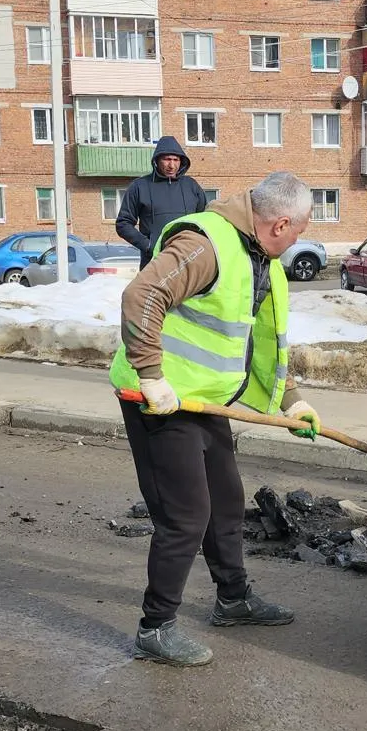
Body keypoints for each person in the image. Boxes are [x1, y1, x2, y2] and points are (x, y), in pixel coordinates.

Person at [110, 171, 323, 667]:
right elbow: (141, 297)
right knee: (185, 517)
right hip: (159, 400)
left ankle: (233, 598)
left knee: (226, 503)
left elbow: (262, 340)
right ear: (280, 223)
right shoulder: (205, 243)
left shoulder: (258, 258)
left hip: (205, 401)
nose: (303, 238)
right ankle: (155, 628)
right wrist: (151, 375)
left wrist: (292, 400)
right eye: (302, 228)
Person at [115, 135, 209, 269]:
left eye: (175, 160)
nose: (172, 165)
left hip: (189, 260)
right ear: (157, 160)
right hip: (154, 262)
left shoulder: (192, 186)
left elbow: (205, 220)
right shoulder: (140, 187)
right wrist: (148, 245)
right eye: (167, 159)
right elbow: (123, 223)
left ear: (181, 161)